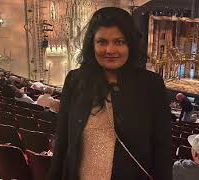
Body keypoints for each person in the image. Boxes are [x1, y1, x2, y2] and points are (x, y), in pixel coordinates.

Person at [48, 7, 172, 180]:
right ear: (92, 45)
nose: (110, 50)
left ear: (130, 44)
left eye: (119, 42)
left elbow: (163, 150)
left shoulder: (151, 85)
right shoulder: (75, 80)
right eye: (102, 42)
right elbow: (62, 141)